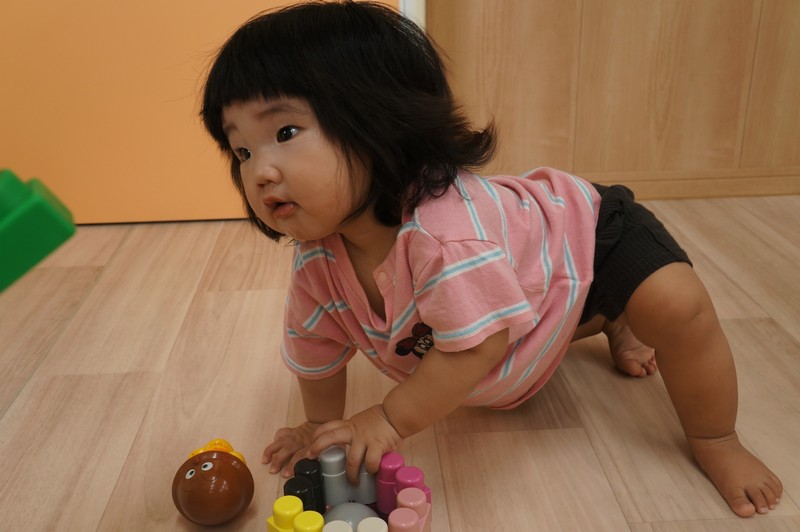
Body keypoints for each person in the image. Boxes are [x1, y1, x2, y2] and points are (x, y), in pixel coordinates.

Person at [200, 1, 782, 518]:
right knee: (533, 308)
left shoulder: (445, 236)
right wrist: (316, 425)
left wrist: (389, 418)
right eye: (241, 149)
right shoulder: (317, 261)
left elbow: (477, 347)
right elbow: (316, 348)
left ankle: (716, 437)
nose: (260, 171)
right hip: (531, 284)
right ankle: (609, 320)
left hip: (593, 238)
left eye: (286, 132)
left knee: (675, 307)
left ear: (382, 121)